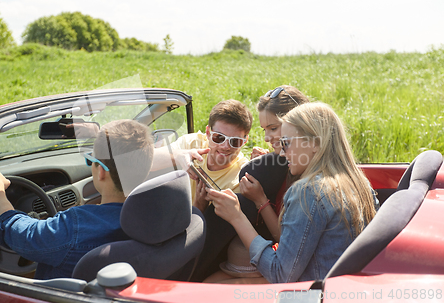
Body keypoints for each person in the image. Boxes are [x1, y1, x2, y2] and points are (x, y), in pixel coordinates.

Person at [208, 102, 379, 283]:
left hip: (312, 293)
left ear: (315, 143)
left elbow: (280, 273)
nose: (282, 153)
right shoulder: (360, 183)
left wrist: (236, 217)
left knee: (207, 287)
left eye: (286, 143)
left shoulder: (308, 191)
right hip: (341, 288)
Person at [0, 119, 154, 280]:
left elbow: (11, 230)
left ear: (100, 171)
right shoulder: (158, 215)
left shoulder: (75, 227)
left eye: (89, 160)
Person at [191, 86, 309, 281]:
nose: (266, 138)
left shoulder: (309, 184)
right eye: (264, 129)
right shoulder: (282, 166)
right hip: (266, 264)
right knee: (206, 283)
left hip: (289, 273)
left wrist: (255, 204)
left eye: (273, 128)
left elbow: (288, 252)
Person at [151, 99, 253, 209]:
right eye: (219, 137)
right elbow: (146, 162)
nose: (225, 146)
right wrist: (177, 156)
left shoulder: (241, 179)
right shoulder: (192, 143)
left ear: (245, 141)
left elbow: (212, 226)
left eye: (235, 141)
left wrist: (200, 205)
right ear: (208, 133)